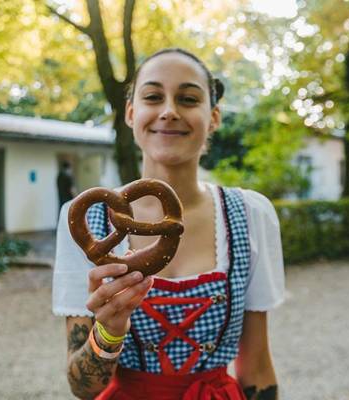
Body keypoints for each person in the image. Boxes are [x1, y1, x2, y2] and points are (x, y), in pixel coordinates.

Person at [52, 48, 285, 400]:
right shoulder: (86, 219)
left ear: (214, 117)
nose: (169, 111)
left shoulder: (251, 214)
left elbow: (256, 368)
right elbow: (82, 388)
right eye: (153, 97)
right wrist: (110, 329)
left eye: (189, 99)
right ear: (131, 113)